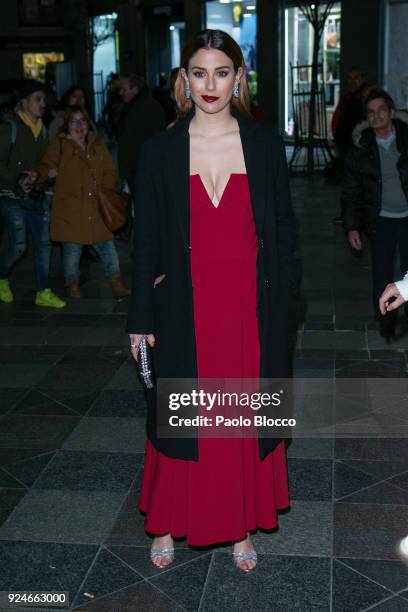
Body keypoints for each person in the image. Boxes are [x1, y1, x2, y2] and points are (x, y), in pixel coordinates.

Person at [127, 30, 295, 572]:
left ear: (239, 77)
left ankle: (240, 524)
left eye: (221, 72)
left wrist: (288, 303)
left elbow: (285, 233)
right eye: (199, 73)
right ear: (184, 79)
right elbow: (146, 240)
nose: (210, 84)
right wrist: (139, 319)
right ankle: (169, 520)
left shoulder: (265, 146)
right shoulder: (160, 152)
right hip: (184, 308)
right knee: (182, 418)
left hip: (250, 311)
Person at [35, 105, 130, 299]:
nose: (79, 125)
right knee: (72, 250)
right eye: (74, 121)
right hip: (71, 210)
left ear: (88, 124)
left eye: (83, 120)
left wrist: (103, 189)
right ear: (67, 125)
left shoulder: (97, 145)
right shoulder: (60, 145)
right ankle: (72, 285)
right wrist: (39, 175)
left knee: (107, 246)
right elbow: (46, 166)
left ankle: (117, 283)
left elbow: (111, 172)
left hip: (97, 208)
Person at [342, 88, 408, 339]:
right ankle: (385, 319)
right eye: (371, 112)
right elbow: (351, 190)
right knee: (381, 272)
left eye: (381, 110)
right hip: (380, 220)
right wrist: (352, 227)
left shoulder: (406, 138)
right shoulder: (361, 148)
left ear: (391, 112)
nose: (376, 116)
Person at [0, 79, 66, 308]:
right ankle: (1, 277)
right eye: (37, 100)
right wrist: (18, 178)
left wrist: (43, 174)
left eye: (43, 100)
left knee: (43, 244)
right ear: (25, 102)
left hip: (35, 195)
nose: (43, 104)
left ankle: (43, 290)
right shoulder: (11, 128)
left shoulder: (43, 130)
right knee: (19, 245)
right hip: (10, 196)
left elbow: (43, 163)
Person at [117, 73, 166, 237]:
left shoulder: (150, 107)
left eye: (124, 89)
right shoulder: (131, 106)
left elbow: (157, 141)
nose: (120, 93)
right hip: (134, 169)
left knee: (146, 212)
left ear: (135, 88)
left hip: (143, 170)